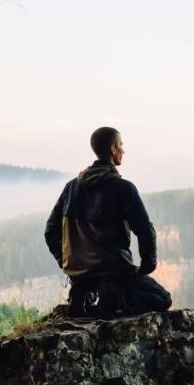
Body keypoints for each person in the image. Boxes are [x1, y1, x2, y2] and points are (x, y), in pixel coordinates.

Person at [44, 127, 172, 317]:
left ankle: (83, 292)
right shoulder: (123, 188)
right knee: (162, 299)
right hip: (114, 270)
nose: (123, 150)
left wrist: (68, 265)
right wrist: (147, 265)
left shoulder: (71, 188)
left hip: (80, 274)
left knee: (93, 283)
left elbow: (51, 231)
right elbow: (145, 230)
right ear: (113, 149)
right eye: (121, 145)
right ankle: (113, 295)